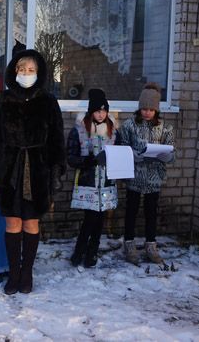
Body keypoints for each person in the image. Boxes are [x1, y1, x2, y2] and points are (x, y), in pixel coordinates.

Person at [0, 49, 66, 295]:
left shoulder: (48, 101)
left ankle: (27, 272)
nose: (26, 74)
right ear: (14, 71)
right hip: (9, 169)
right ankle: (13, 273)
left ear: (38, 73)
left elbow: (57, 139)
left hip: (38, 170)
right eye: (21, 69)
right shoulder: (3, 100)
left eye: (31, 70)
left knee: (31, 222)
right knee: (12, 222)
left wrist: (57, 170)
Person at [118, 83, 175, 265]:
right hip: (134, 176)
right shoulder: (130, 125)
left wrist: (167, 155)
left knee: (151, 212)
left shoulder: (165, 128)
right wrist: (131, 154)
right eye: (144, 108)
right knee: (131, 211)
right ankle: (129, 244)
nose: (147, 112)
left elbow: (172, 153)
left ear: (156, 110)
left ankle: (151, 245)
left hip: (154, 178)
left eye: (151, 109)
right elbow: (121, 146)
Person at [67, 89, 120, 268]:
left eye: (104, 111)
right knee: (90, 218)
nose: (101, 114)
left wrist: (113, 160)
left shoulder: (113, 132)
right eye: (97, 111)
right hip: (87, 182)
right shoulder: (80, 130)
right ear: (91, 111)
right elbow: (70, 157)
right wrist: (87, 161)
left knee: (100, 219)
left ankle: (92, 252)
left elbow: (120, 154)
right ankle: (80, 251)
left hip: (106, 183)